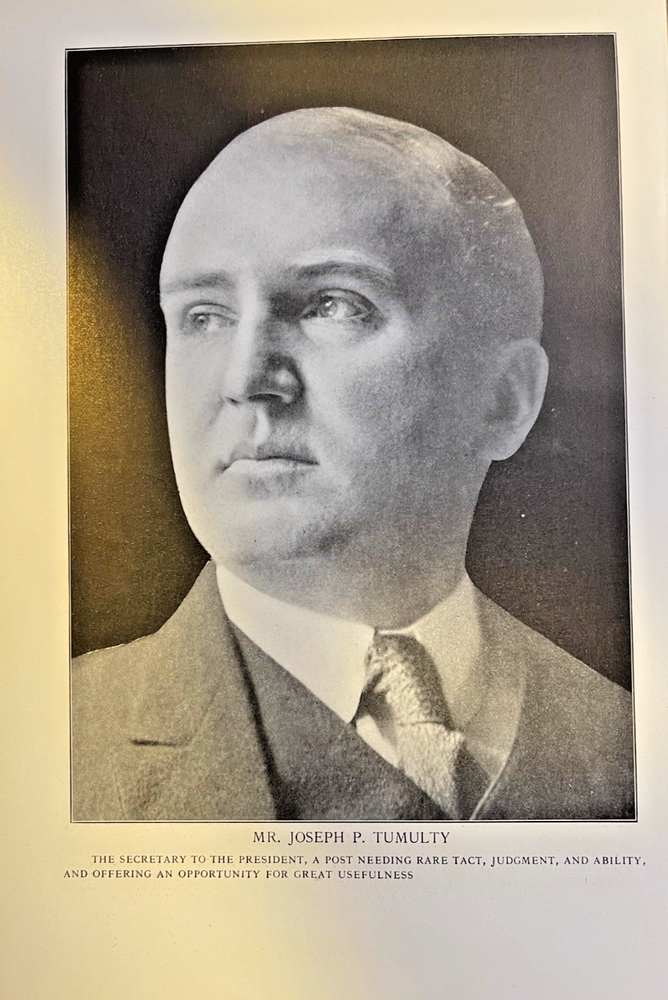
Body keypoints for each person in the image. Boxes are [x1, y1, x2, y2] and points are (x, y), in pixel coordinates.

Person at [72, 107, 634, 822]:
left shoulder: (630, 744)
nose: (245, 379)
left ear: (503, 399)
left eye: (332, 305)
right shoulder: (50, 746)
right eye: (204, 316)